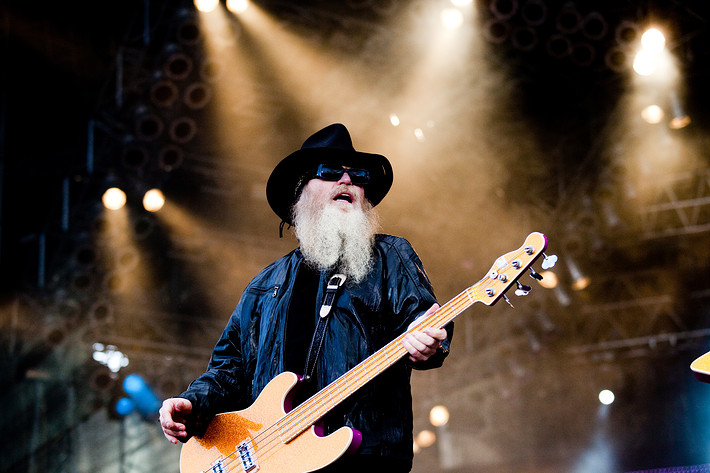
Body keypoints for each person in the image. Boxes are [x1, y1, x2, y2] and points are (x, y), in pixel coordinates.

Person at [159, 123, 454, 473]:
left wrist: (429, 337)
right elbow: (229, 368)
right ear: (300, 191)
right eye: (330, 172)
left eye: (358, 176)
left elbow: (423, 318)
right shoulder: (264, 285)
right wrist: (191, 402)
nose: (347, 181)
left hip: (365, 457)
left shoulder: (389, 255)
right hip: (269, 459)